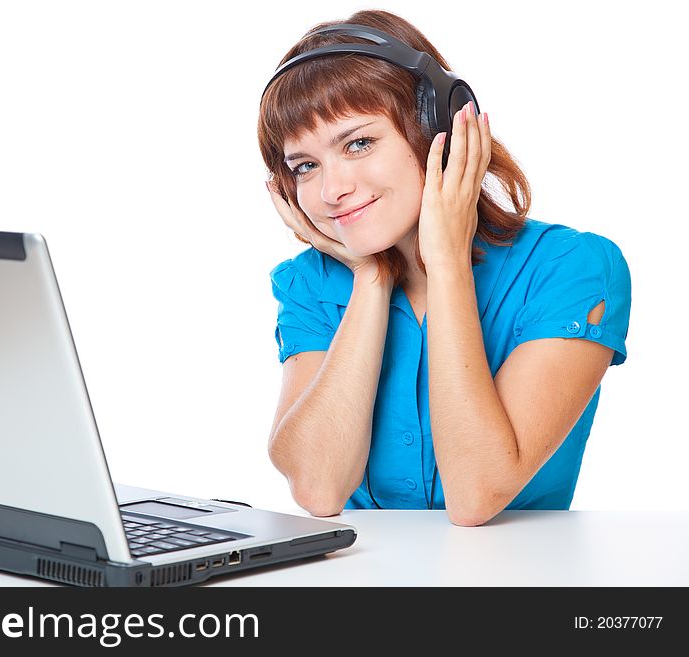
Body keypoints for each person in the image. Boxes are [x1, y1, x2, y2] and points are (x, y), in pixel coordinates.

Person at [257, 9, 631, 526]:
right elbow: (320, 490)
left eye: (358, 143)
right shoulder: (309, 283)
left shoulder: (571, 268)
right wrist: (371, 275)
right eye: (305, 166)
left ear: (441, 129)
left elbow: (477, 493)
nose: (330, 191)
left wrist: (448, 262)